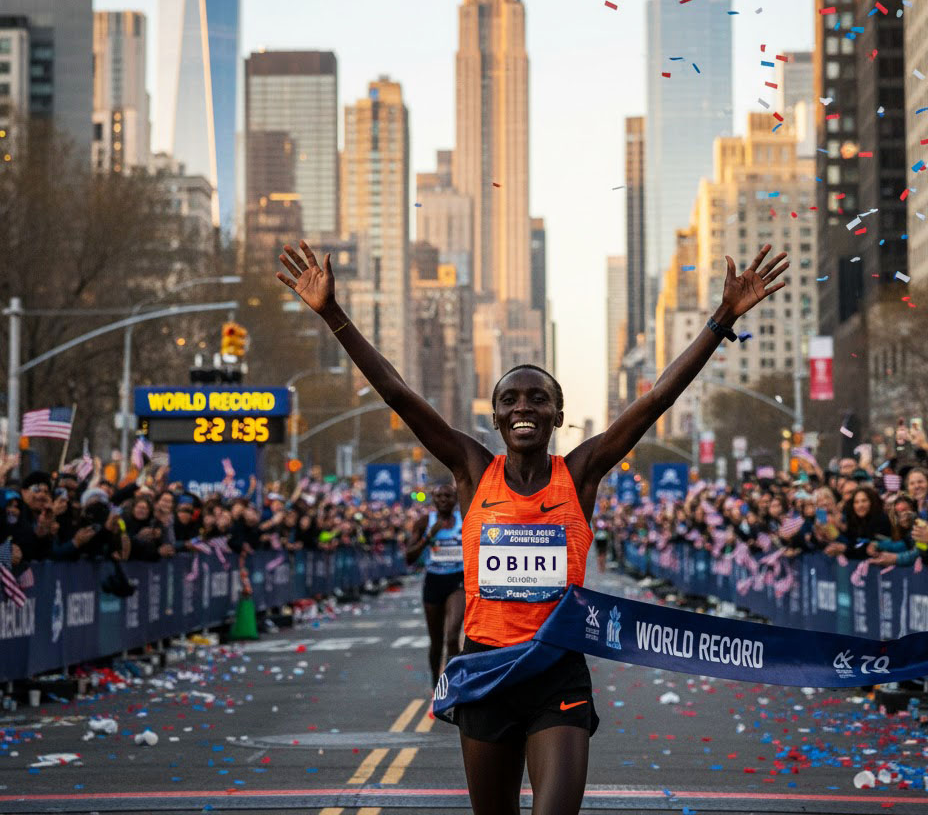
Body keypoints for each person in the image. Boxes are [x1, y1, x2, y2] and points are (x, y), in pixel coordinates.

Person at [278, 238, 787, 815]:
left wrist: (722, 319)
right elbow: (397, 392)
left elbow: (654, 402)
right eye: (511, 399)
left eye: (538, 399)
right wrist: (333, 316)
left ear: (558, 415)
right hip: (485, 666)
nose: (525, 407)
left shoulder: (581, 474)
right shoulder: (471, 471)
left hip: (556, 672)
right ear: (495, 417)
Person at [405, 480, 466, 683]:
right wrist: (429, 536)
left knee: (452, 636)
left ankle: (454, 685)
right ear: (433, 500)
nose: (443, 500)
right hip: (433, 581)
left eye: (448, 496)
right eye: (439, 497)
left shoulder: (464, 519)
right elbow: (409, 557)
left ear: (456, 499)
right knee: (437, 642)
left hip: (458, 581)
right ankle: (435, 684)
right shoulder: (424, 522)